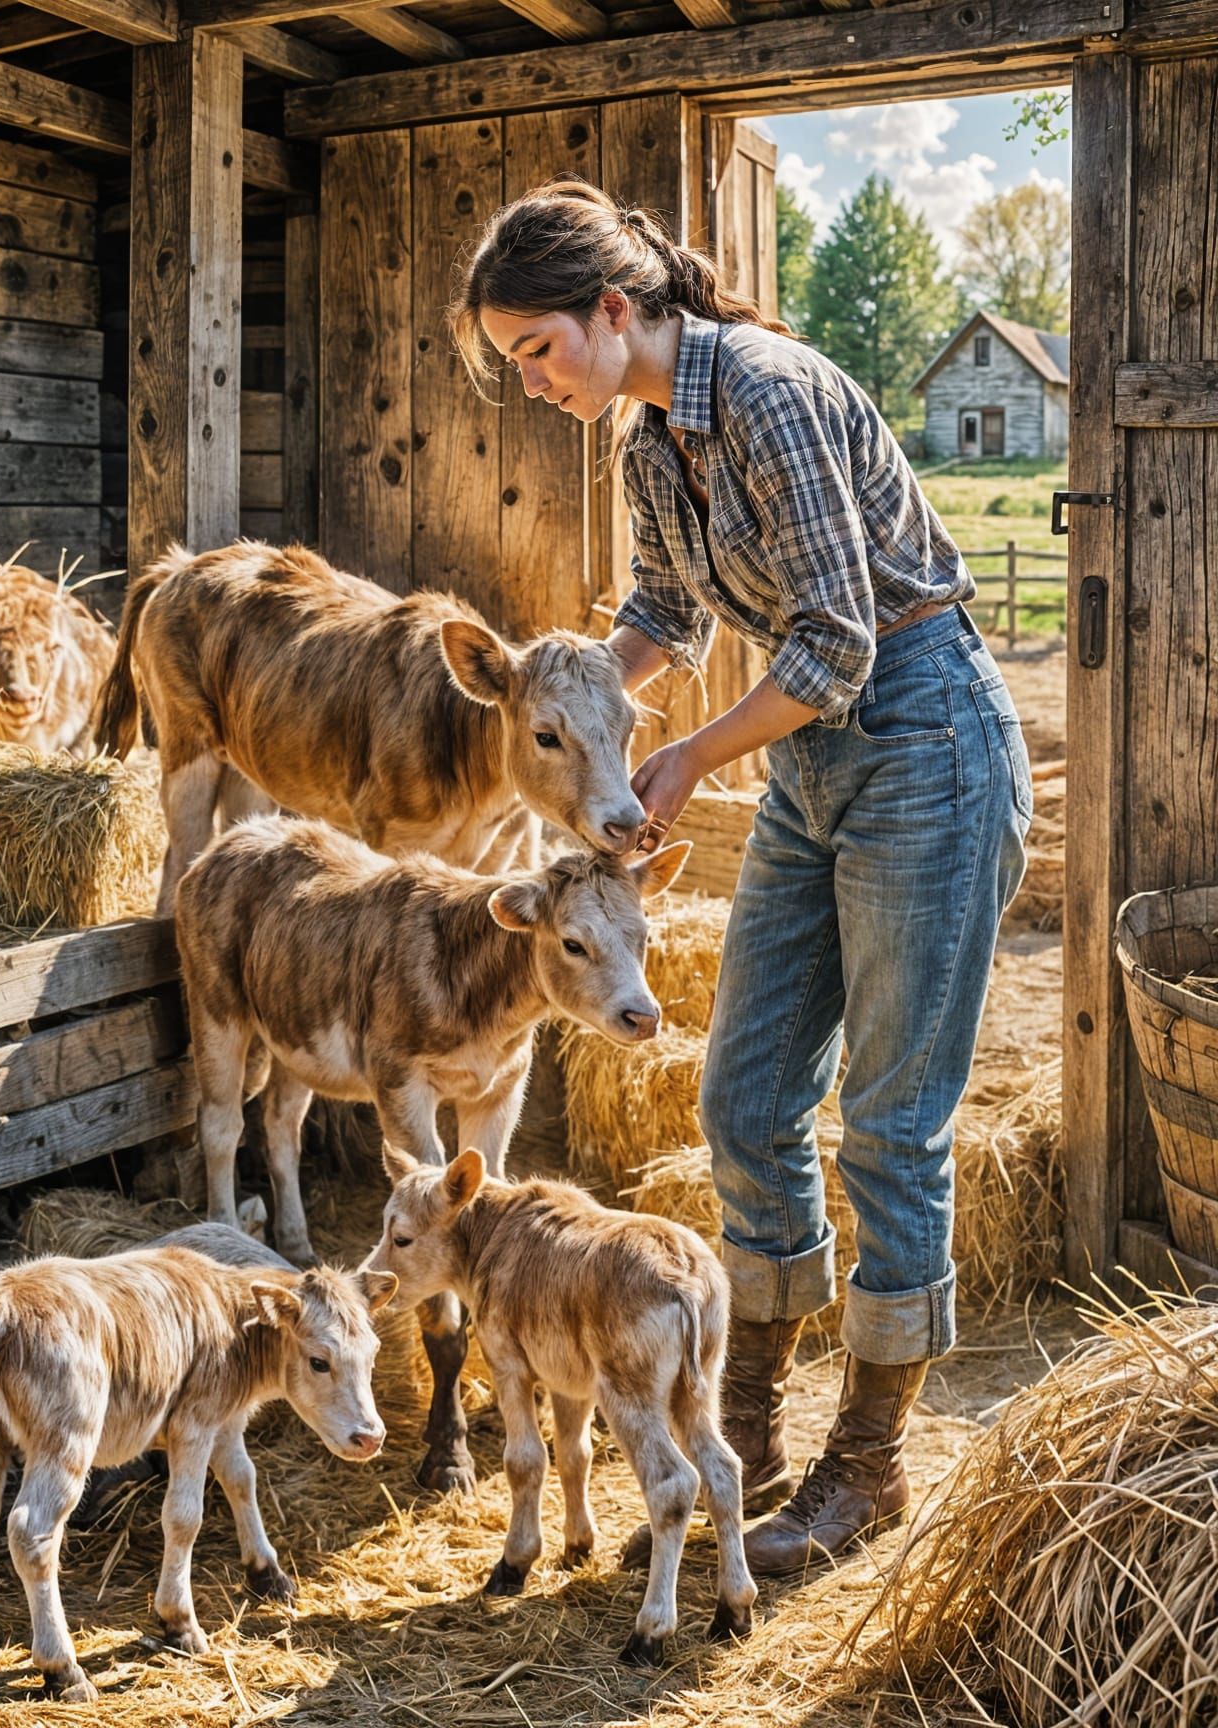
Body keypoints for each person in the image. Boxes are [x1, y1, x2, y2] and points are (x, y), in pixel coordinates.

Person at [449, 177, 1031, 1574]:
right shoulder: (653, 438)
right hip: (818, 763)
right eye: (511, 361)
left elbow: (837, 645)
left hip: (926, 741)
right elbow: (662, 607)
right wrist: (588, 726)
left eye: (535, 349)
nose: (530, 383)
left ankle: (871, 1465)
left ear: (611, 308)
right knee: (746, 1094)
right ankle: (751, 1426)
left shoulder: (765, 389)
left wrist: (687, 761)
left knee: (892, 1127)